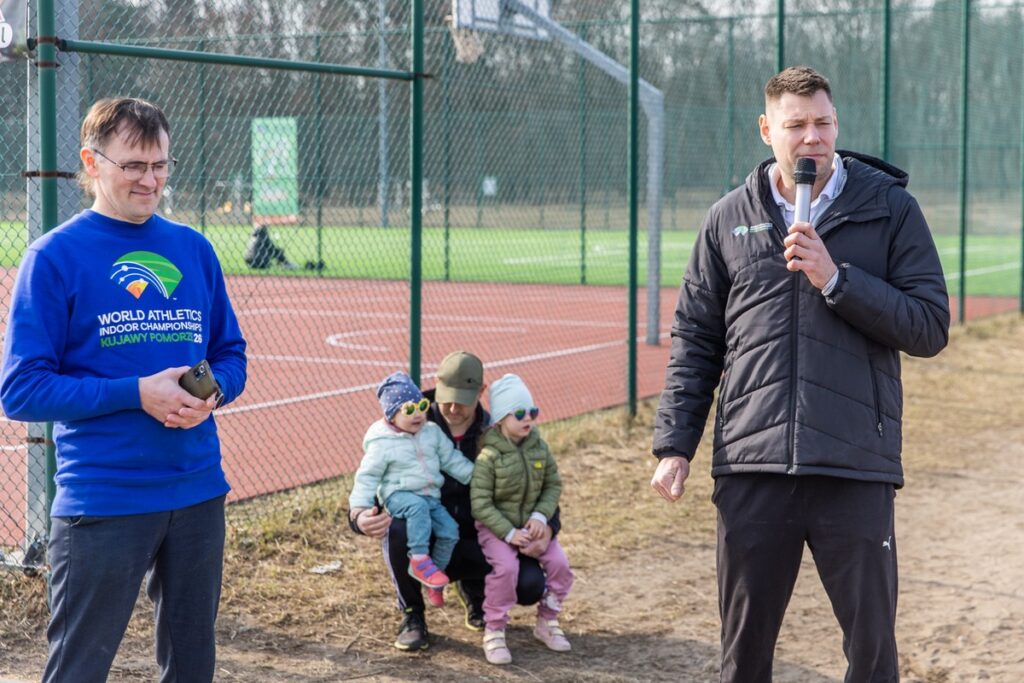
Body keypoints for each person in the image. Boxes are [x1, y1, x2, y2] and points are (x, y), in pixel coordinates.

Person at [650, 66, 949, 682]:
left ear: (836, 124)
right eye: (796, 125)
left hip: (854, 464)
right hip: (751, 467)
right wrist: (675, 445)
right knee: (744, 658)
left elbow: (928, 325)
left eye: (822, 123)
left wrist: (837, 280)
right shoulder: (727, 219)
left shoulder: (889, 209)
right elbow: (696, 341)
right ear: (767, 130)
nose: (811, 138)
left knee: (871, 655)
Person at [0, 97, 247, 681]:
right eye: (134, 165)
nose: (151, 179)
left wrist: (213, 393)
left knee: (192, 665)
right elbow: (21, 390)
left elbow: (230, 356)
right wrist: (135, 392)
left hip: (197, 491)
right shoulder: (53, 257)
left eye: (160, 164)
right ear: (92, 162)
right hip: (103, 500)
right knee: (79, 666)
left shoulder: (194, 249)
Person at [348, 351, 561, 652]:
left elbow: (535, 485)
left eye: (462, 399)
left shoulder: (498, 432)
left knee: (529, 585)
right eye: (446, 397)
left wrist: (549, 525)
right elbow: (374, 477)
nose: (451, 407)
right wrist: (358, 517)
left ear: (481, 392)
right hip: (426, 533)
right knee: (398, 528)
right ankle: (413, 615)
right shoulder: (407, 419)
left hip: (480, 536)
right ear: (435, 383)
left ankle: (474, 592)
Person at [470, 373, 573, 665]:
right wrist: (508, 533)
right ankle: (495, 629)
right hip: (497, 529)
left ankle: (547, 621)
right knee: (505, 569)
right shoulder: (489, 457)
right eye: (519, 413)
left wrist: (542, 517)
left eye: (532, 412)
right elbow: (480, 503)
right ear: (501, 419)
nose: (528, 418)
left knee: (560, 565)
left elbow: (553, 484)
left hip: (533, 527)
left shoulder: (539, 447)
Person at [349, 371, 475, 607]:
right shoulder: (382, 443)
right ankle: (419, 559)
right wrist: (359, 510)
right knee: (416, 508)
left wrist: (476, 477)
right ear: (391, 415)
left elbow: (451, 459)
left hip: (430, 497)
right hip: (398, 494)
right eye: (408, 409)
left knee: (450, 530)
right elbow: (367, 477)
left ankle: (433, 578)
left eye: (421, 405)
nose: (417, 414)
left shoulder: (432, 433)